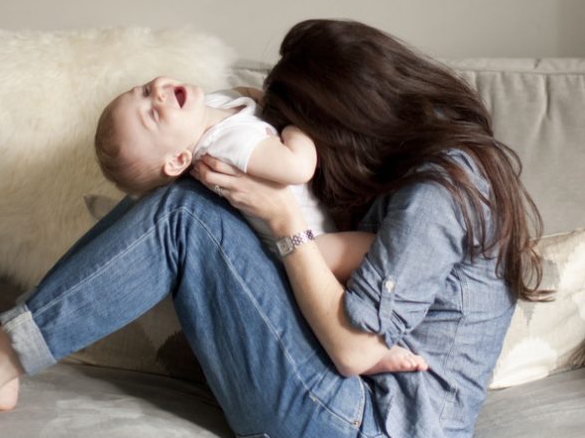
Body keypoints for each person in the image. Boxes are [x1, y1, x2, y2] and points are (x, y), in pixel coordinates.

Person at [0, 19, 547, 438]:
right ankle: (4, 357)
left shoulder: (440, 190)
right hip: (347, 403)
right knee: (190, 198)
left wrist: (284, 217)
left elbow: (354, 352)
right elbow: (357, 267)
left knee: (183, 216)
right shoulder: (426, 174)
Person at [93, 79, 428, 374]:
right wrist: (296, 123)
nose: (158, 95)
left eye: (143, 90)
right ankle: (374, 355)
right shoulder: (224, 147)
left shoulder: (215, 105)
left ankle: (379, 338)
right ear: (179, 160)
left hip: (314, 229)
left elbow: (250, 96)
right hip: (305, 246)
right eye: (152, 113)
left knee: (367, 279)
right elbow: (298, 167)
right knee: (381, 249)